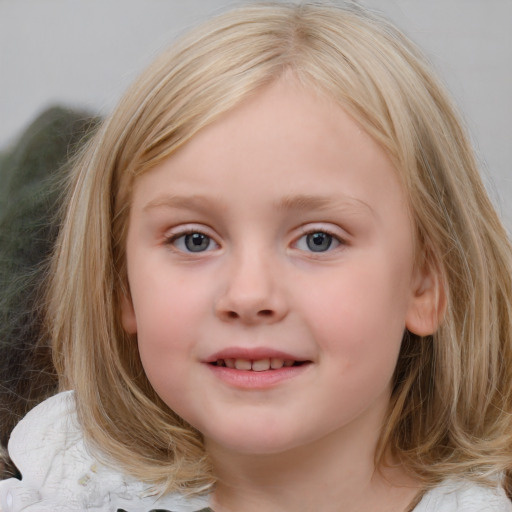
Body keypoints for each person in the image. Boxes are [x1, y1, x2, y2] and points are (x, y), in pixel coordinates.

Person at [1, 2, 512, 511]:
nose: (248, 295)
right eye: (193, 240)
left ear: (425, 283)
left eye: (319, 239)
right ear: (121, 285)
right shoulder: (65, 492)